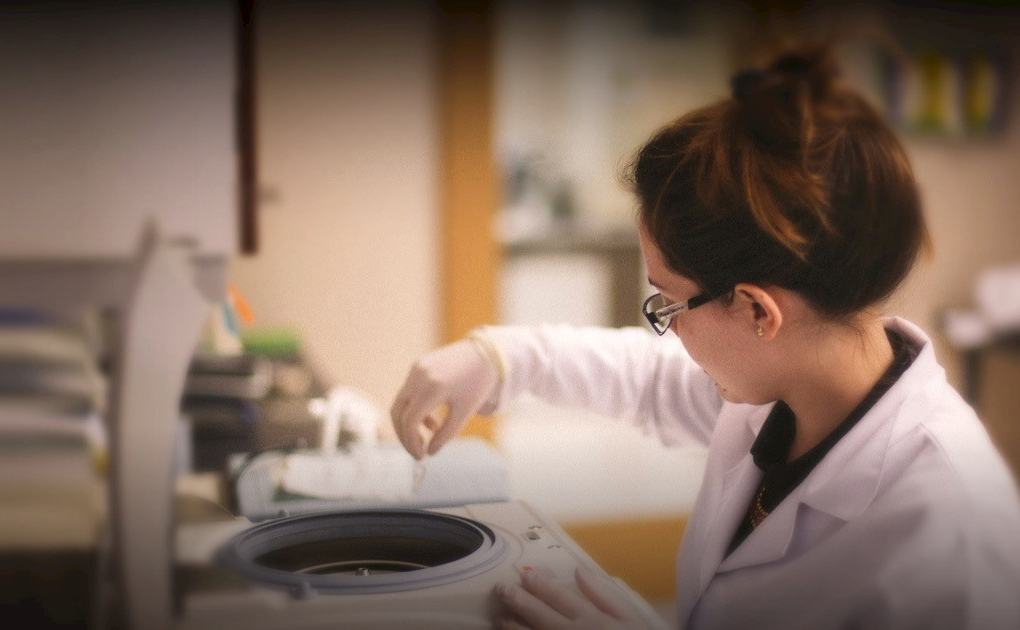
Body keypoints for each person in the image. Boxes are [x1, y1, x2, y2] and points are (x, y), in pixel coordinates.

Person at [390, 45, 1020, 630]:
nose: (665, 322)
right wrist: (502, 356)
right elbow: (647, 379)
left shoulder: (955, 532)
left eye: (668, 300)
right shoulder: (794, 387)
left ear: (757, 312)